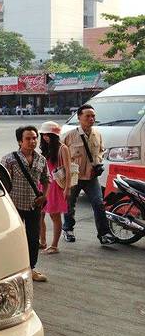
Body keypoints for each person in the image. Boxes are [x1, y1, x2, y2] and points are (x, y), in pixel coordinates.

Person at [62, 104, 116, 245]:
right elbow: (60, 155)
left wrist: (97, 163)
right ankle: (68, 229)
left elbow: (101, 151)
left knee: (99, 204)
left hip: (91, 177)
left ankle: (104, 234)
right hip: (74, 177)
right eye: (87, 116)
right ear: (79, 117)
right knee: (69, 205)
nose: (91, 119)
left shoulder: (97, 134)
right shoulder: (69, 136)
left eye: (93, 116)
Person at [2, 126, 50, 282]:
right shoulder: (9, 159)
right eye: (28, 138)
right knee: (13, 238)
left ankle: (31, 268)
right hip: (14, 206)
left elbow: (46, 180)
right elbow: (2, 182)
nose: (32, 141)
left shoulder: (41, 159)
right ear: (19, 141)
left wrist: (44, 196)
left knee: (33, 238)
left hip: (33, 205)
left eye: (34, 138)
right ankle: (10, 269)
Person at [38, 121, 71, 254]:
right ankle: (43, 241)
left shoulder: (62, 148)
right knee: (40, 214)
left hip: (56, 185)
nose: (45, 137)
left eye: (48, 134)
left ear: (54, 135)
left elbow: (68, 169)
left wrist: (67, 188)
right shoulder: (45, 148)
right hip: (44, 183)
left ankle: (54, 245)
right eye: (43, 134)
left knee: (54, 216)